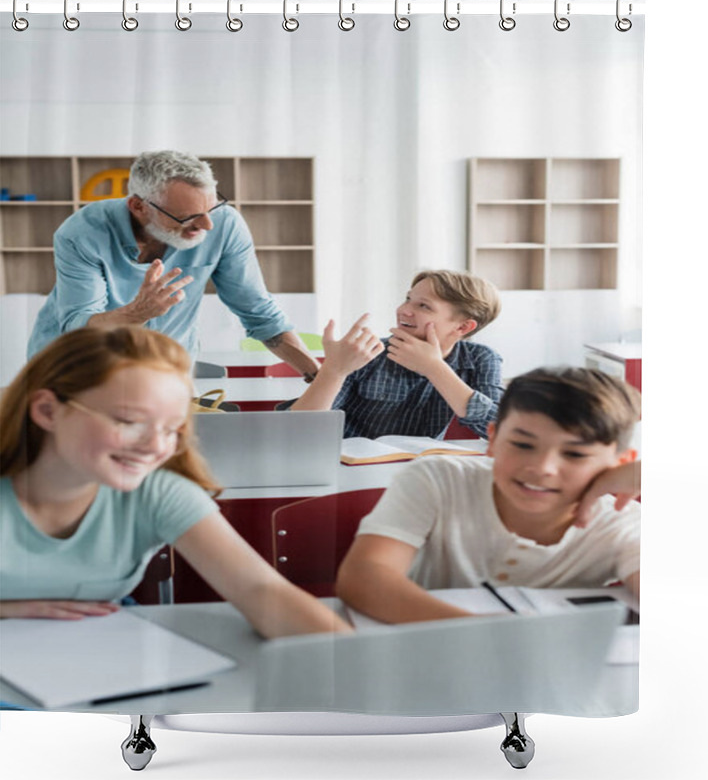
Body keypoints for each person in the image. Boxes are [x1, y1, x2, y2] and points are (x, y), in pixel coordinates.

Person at [0, 325, 349, 637]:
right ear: (48, 411)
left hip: (95, 656)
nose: (156, 447)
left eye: (172, 429)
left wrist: (360, 663)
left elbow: (262, 591)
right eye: (129, 421)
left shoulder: (157, 491)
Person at [336, 366, 642, 623]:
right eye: (522, 445)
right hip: (426, 653)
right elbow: (364, 577)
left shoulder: (623, 523)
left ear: (620, 463)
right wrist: (483, 636)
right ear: (493, 440)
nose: (542, 467)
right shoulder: (438, 479)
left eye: (575, 454)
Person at [26, 150, 319, 379]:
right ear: (138, 206)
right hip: (79, 366)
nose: (206, 225)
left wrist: (319, 374)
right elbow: (77, 326)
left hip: (165, 371)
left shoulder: (224, 224)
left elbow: (259, 313)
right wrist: (135, 314)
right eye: (186, 216)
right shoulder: (83, 233)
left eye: (211, 208)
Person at [281, 270, 503, 439]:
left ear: (463, 328)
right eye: (408, 299)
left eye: (424, 306)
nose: (403, 310)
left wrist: (434, 368)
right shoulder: (367, 353)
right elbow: (299, 432)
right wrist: (333, 371)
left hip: (420, 475)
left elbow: (500, 429)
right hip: (349, 471)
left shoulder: (481, 359)